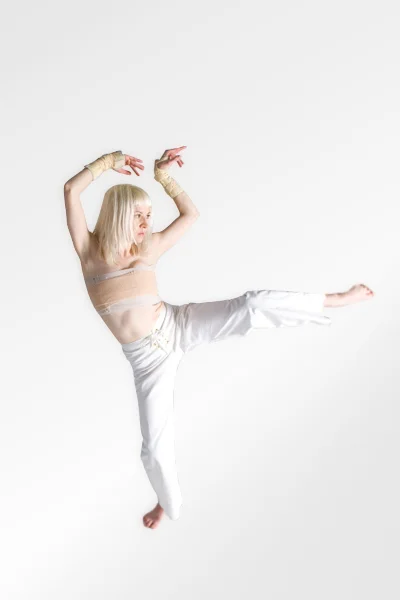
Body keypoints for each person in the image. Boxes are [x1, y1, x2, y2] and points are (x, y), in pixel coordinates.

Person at [64, 147, 375, 529]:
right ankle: (167, 505)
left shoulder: (148, 247)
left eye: (149, 214)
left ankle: (335, 299)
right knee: (154, 452)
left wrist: (164, 178)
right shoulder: (89, 252)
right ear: (118, 213)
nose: (146, 222)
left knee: (251, 304)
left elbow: (190, 215)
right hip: (147, 362)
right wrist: (109, 162)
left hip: (177, 324)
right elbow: (71, 190)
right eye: (138, 215)